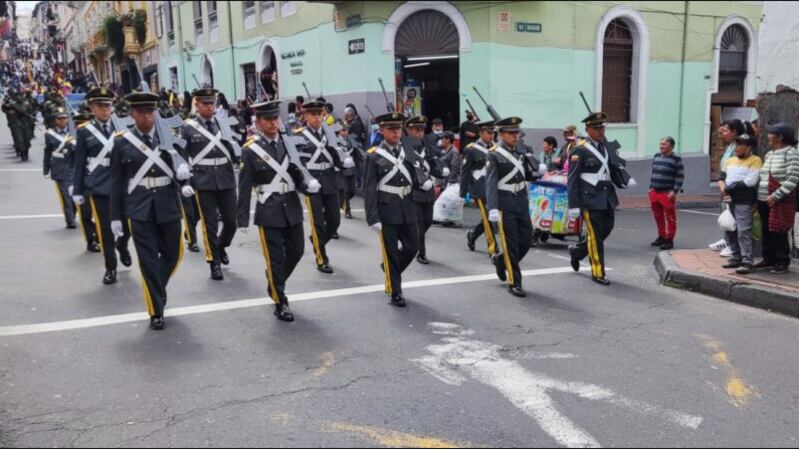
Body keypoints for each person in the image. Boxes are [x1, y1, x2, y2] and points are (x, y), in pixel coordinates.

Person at [109, 92, 192, 331]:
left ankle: (157, 288)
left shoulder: (171, 138)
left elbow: (184, 168)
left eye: (150, 112)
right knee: (147, 261)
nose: (147, 116)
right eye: (142, 112)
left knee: (173, 254)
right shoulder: (122, 142)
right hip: (139, 207)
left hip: (168, 203)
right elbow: (117, 182)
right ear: (132, 114)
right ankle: (156, 309)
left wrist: (186, 175)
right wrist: (116, 216)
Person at [238, 100, 320, 322]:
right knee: (274, 259)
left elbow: (297, 172)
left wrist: (308, 186)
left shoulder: (289, 142)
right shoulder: (251, 149)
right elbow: (244, 185)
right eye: (268, 119)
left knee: (296, 251)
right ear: (258, 122)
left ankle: (275, 279)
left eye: (276, 118)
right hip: (269, 209)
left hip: (291, 206)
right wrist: (242, 218)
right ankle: (280, 300)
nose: (274, 123)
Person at [364, 112, 430, 307]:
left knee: (412, 247)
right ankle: (396, 291)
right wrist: (372, 217)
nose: (396, 132)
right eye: (391, 129)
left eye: (398, 129)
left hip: (408, 207)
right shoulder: (374, 156)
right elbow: (369, 188)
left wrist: (423, 183)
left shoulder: (408, 149)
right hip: (387, 209)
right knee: (391, 252)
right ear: (382, 131)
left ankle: (390, 270)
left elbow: (416, 173)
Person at [72, 87, 133, 285]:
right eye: (100, 106)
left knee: (128, 226)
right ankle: (110, 267)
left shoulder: (123, 129)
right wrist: (78, 189)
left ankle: (122, 246)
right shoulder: (84, 132)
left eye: (108, 105)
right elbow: (80, 162)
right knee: (105, 230)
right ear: (92, 108)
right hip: (99, 186)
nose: (105, 109)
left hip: (123, 185)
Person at [179, 88, 239, 281]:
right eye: (206, 103)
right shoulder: (187, 127)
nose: (210, 106)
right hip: (203, 181)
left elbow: (233, 149)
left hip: (226, 178)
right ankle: (214, 262)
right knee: (209, 224)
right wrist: (185, 181)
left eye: (212, 103)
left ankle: (221, 246)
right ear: (197, 105)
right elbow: (181, 157)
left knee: (231, 222)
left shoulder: (223, 124)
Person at [294, 100, 352, 274]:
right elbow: (298, 161)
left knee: (334, 220)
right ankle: (321, 258)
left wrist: (343, 163)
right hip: (312, 183)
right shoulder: (298, 136)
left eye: (319, 114)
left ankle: (317, 240)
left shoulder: (329, 132)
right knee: (317, 223)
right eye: (312, 114)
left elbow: (336, 153)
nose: (317, 117)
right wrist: (305, 181)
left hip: (329, 180)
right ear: (305, 116)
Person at [486, 117, 537, 297]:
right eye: (511, 133)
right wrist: (492, 207)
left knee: (527, 239)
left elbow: (527, 175)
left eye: (517, 132)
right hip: (504, 203)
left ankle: (501, 261)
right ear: (501, 134)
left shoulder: (521, 152)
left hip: (521, 201)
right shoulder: (493, 154)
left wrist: (540, 171)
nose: (516, 136)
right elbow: (491, 181)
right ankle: (514, 282)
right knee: (511, 245)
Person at [567, 112, 619, 286]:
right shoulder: (579, 149)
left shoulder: (605, 147)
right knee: (595, 236)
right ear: (587, 129)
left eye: (602, 127)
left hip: (606, 196)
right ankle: (597, 271)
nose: (600, 131)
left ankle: (577, 252)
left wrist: (624, 181)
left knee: (607, 229)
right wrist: (573, 205)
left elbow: (612, 168)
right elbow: (572, 179)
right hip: (589, 199)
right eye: (596, 128)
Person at [756, 123, 799, 274]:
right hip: (763, 199)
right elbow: (763, 177)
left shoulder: (791, 153)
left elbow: (793, 179)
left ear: (780, 137)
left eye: (771, 133)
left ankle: (781, 261)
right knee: (766, 230)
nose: (768, 135)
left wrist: (775, 196)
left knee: (779, 230)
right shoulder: (770, 154)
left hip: (779, 200)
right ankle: (768, 259)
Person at [719, 133, 762, 274]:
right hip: (729, 200)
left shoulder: (755, 160)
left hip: (744, 201)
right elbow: (722, 178)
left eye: (740, 144)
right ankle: (736, 256)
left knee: (744, 230)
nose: (736, 147)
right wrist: (722, 188)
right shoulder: (730, 161)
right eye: (736, 144)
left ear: (749, 147)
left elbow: (750, 181)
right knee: (730, 229)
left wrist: (729, 188)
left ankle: (747, 261)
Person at [405, 115, 442, 264]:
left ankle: (412, 238)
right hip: (414, 191)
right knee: (419, 223)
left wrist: (440, 170)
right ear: (409, 131)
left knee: (427, 221)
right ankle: (421, 252)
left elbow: (432, 162)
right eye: (416, 130)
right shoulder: (406, 146)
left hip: (428, 190)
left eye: (421, 130)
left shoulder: (426, 144)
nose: (420, 133)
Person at [462, 120, 499, 256]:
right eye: (489, 133)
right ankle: (493, 248)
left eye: (493, 133)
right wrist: (463, 193)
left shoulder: (497, 148)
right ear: (481, 133)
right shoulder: (471, 149)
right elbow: (465, 171)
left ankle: (472, 235)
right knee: (488, 217)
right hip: (479, 188)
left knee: (489, 218)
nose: (492, 136)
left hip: (494, 188)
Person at [709, 119, 746, 256]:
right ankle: (727, 240)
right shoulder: (730, 145)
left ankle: (733, 246)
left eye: (725, 131)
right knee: (726, 215)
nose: (722, 134)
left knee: (732, 216)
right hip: (724, 184)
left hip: (731, 186)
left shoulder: (739, 147)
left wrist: (726, 185)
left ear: (734, 132)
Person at [43, 106, 77, 230]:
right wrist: (46, 169)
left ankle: (72, 214)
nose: (62, 121)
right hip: (60, 167)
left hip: (74, 167)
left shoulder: (75, 132)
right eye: (60, 119)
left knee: (75, 195)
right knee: (66, 195)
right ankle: (70, 220)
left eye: (65, 118)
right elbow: (47, 152)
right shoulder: (49, 134)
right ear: (55, 120)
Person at [649, 136, 684, 250]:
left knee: (670, 217)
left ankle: (669, 240)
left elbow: (680, 176)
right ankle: (661, 236)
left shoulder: (676, 159)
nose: (661, 146)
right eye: (661, 143)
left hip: (667, 193)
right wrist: (650, 188)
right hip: (655, 192)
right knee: (658, 216)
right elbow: (653, 172)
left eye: (664, 144)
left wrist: (674, 191)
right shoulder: (656, 156)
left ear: (671, 146)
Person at [336, 122, 362, 220]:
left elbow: (358, 151)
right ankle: (347, 210)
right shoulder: (335, 141)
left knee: (353, 190)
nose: (345, 132)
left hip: (351, 167)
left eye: (346, 130)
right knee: (346, 190)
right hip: (342, 169)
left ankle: (342, 201)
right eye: (343, 130)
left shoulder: (351, 139)